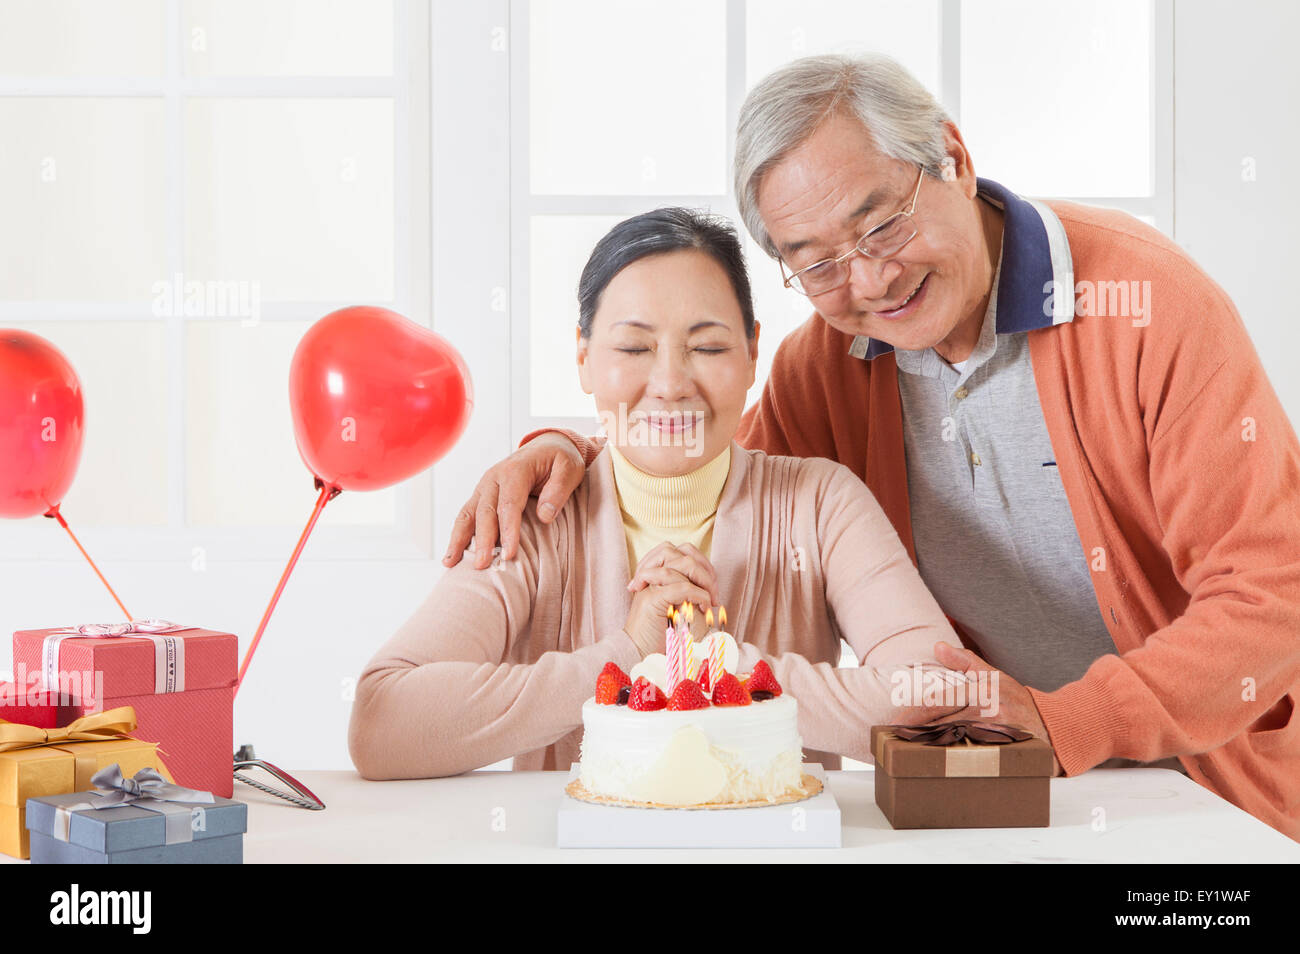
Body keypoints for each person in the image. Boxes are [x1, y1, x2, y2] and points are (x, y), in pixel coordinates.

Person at [445, 54, 1300, 840]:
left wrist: (1075, 721)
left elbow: (1271, 591)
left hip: (1214, 785)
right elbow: (720, 478)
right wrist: (562, 444)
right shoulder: (825, 365)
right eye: (814, 263)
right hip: (999, 791)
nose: (868, 282)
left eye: (882, 225)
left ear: (955, 161)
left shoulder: (1144, 306)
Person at [349, 207, 969, 780]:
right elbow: (382, 723)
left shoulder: (821, 504)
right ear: (584, 357)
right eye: (633, 347)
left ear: (754, 352)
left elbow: (941, 697)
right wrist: (627, 657)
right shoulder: (536, 513)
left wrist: (718, 664)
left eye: (707, 347)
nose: (671, 384)